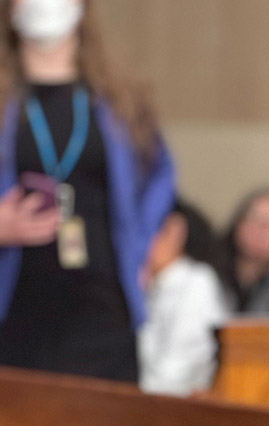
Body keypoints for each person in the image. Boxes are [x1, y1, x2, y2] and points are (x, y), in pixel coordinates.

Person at [0, 0, 174, 382]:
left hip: (102, 305)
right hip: (16, 306)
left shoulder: (121, 99)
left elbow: (160, 180)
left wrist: (141, 249)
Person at [138, 198, 229, 396]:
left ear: (173, 231)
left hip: (175, 411)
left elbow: (172, 377)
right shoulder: (152, 284)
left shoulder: (197, 282)